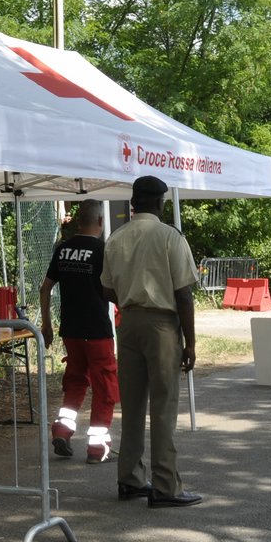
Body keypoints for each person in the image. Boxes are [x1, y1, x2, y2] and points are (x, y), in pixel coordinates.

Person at [100, 175, 202, 508]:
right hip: (161, 325)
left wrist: (130, 298)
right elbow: (183, 293)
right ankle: (165, 485)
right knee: (163, 405)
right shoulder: (169, 237)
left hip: (127, 322)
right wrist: (190, 343)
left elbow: (106, 288)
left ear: (133, 203)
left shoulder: (116, 238)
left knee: (131, 405)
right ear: (160, 203)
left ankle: (129, 478)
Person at [39, 199, 118, 463]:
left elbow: (45, 288)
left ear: (77, 220)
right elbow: (113, 289)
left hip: (70, 331)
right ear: (99, 221)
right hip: (97, 332)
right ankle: (97, 447)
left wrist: (47, 325)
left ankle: (62, 430)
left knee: (74, 382)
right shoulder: (102, 250)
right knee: (105, 388)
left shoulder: (62, 249)